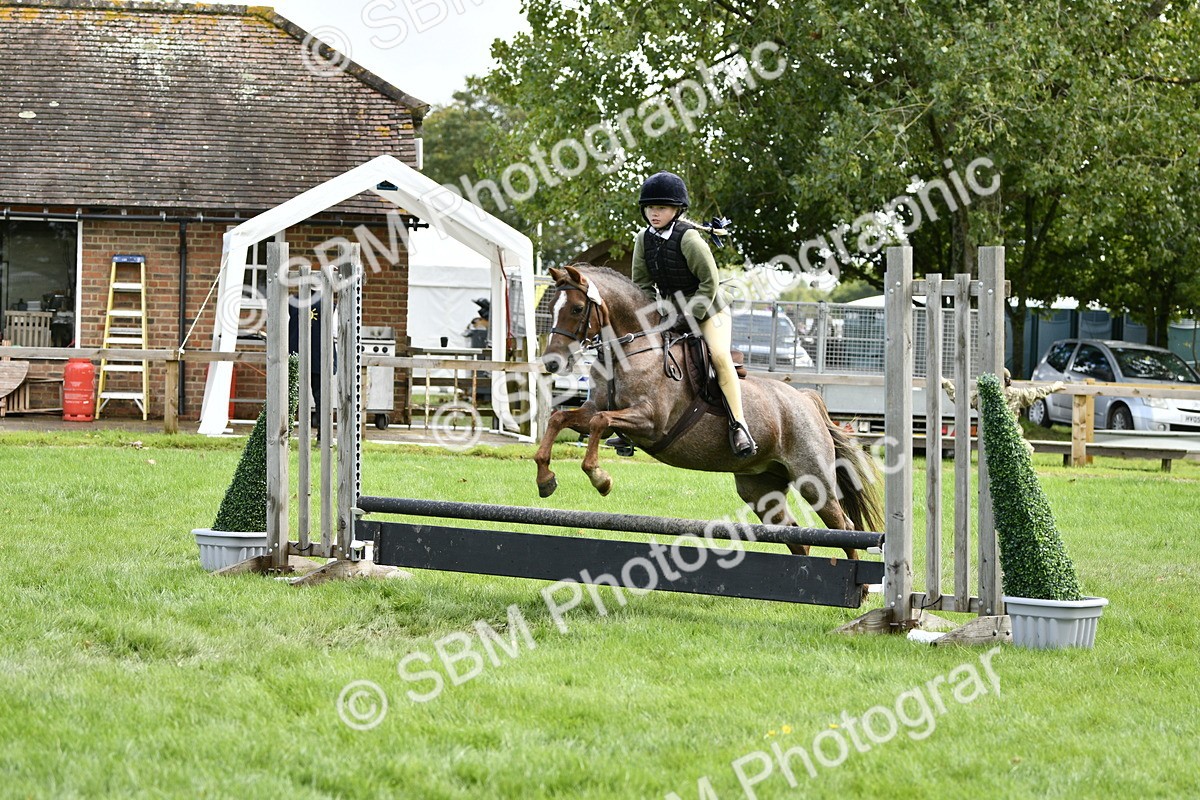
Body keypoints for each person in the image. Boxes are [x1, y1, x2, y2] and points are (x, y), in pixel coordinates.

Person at [630, 171, 756, 457]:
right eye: (650, 207)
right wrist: (655, 316)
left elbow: (709, 283)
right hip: (671, 310)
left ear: (677, 210)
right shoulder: (643, 239)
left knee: (719, 357)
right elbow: (642, 284)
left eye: (661, 208)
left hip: (709, 307)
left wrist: (689, 315)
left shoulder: (690, 240)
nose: (654, 213)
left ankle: (739, 424)